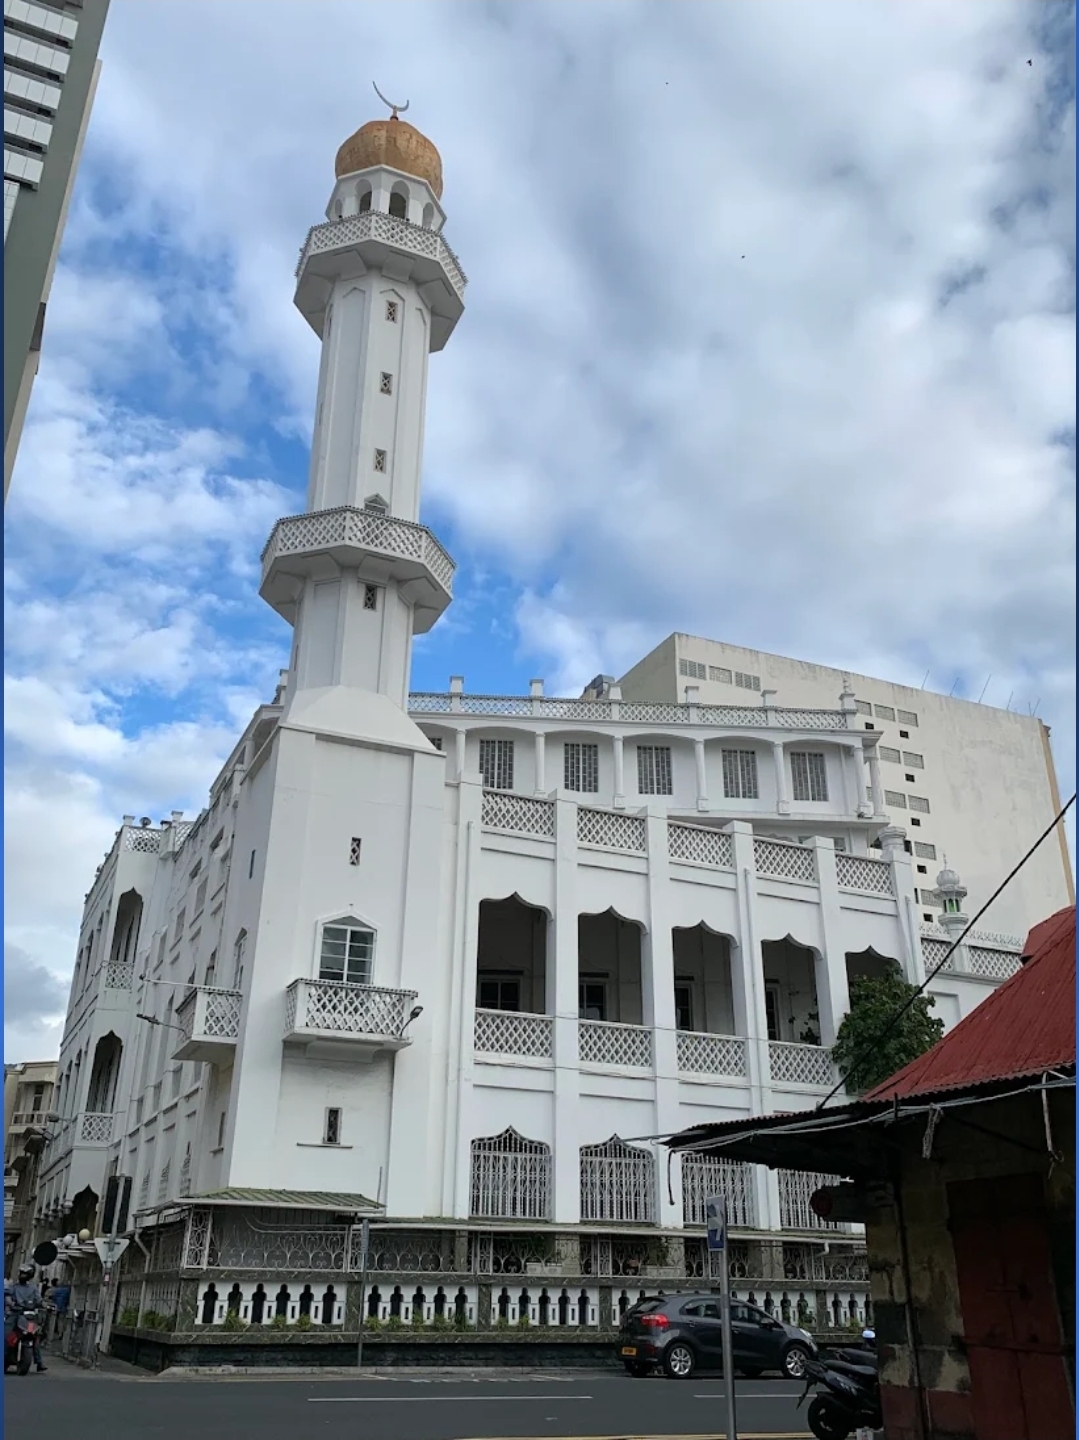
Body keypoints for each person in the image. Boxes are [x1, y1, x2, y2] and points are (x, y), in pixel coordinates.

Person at [5, 1264, 46, 1371]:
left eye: (25, 1274)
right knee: (6, 1334)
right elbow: (8, 1297)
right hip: (15, 1314)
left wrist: (45, 1305)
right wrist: (11, 1304)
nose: (22, 1276)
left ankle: (39, 1361)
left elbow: (39, 1300)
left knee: (34, 1336)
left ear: (30, 1275)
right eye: (21, 1273)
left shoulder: (33, 1288)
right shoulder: (13, 1287)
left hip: (29, 1317)